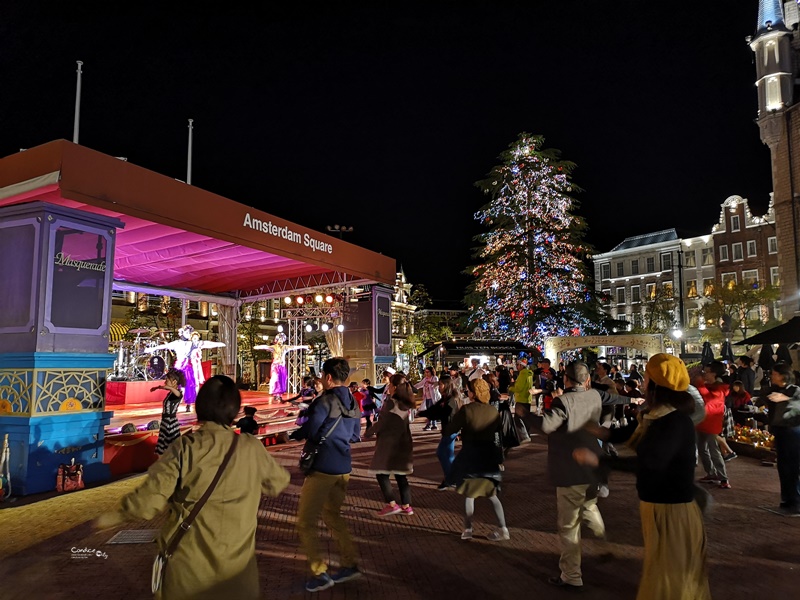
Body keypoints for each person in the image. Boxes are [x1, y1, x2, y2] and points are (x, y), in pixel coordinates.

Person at [94, 375, 291, 600]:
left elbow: (149, 500)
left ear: (200, 407)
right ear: (235, 410)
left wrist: (112, 517)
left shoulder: (185, 448)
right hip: (238, 576)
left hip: (189, 572)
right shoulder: (251, 449)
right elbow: (279, 482)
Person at [596, 353, 711, 600]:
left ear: (656, 383)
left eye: (648, 376)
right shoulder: (654, 415)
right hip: (656, 505)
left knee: (671, 579)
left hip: (672, 509)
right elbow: (630, 432)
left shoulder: (674, 421)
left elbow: (652, 463)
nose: (644, 380)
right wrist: (597, 431)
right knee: (661, 572)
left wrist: (602, 461)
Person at [529, 361, 627, 591]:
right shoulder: (594, 395)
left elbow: (547, 425)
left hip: (570, 466)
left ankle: (571, 574)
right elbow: (613, 399)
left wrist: (525, 413)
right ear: (586, 380)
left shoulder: (563, 400)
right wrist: (633, 400)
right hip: (593, 462)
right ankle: (604, 543)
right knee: (590, 506)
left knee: (569, 525)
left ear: (566, 379)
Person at [291, 357, 363, 592]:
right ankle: (350, 562)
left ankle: (319, 571)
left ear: (329, 377)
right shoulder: (353, 402)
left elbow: (311, 431)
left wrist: (296, 433)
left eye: (323, 375)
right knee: (333, 515)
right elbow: (354, 435)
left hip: (323, 467)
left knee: (305, 521)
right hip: (344, 467)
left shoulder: (324, 402)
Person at [444, 378, 508, 541]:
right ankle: (503, 528)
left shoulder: (467, 410)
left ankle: (467, 529)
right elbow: (497, 436)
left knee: (470, 494)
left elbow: (450, 429)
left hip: (471, 455)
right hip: (489, 456)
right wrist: (499, 457)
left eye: (468, 390)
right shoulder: (493, 411)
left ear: (473, 393)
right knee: (492, 494)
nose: (467, 392)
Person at [364, 377, 415, 516]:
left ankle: (391, 503)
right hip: (403, 442)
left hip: (390, 443)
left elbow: (383, 422)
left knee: (381, 472)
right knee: (400, 474)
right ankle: (406, 505)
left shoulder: (391, 403)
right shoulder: (405, 403)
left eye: (390, 384)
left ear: (395, 387)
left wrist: (369, 432)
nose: (388, 387)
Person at [753, 362, 800, 514]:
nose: (771, 376)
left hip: (792, 431)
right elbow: (762, 398)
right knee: (784, 466)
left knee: (792, 466)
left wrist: (785, 398)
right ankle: (787, 499)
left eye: (774, 374)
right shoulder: (774, 389)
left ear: (782, 375)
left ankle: (795, 500)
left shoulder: (794, 390)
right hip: (780, 431)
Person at [146, 325, 226, 412]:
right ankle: (176, 404)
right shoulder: (176, 343)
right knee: (177, 386)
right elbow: (164, 346)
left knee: (188, 385)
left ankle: (187, 404)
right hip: (178, 367)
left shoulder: (192, 343)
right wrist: (151, 349)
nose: (188, 334)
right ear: (182, 333)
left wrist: (219, 344)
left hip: (187, 367)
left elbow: (206, 343)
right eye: (187, 332)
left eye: (189, 333)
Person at [418, 374, 464, 490]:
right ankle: (453, 477)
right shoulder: (446, 398)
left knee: (442, 453)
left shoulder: (452, 399)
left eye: (441, 385)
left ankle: (451, 478)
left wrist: (430, 416)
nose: (439, 387)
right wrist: (423, 413)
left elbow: (444, 413)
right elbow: (436, 408)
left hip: (451, 429)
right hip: (448, 429)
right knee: (447, 454)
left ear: (447, 385)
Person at [694, 361, 731, 489]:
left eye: (707, 372)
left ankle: (723, 477)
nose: (705, 374)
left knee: (713, 450)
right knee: (702, 448)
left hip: (711, 423)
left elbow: (709, 399)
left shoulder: (720, 388)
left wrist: (700, 384)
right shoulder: (710, 386)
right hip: (701, 421)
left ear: (714, 374)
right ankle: (711, 473)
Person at [253, 333, 310, 401]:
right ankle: (275, 393)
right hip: (275, 366)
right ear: (277, 340)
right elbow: (266, 347)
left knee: (281, 380)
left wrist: (304, 346)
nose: (281, 340)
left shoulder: (285, 347)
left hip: (281, 366)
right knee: (275, 379)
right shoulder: (274, 347)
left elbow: (294, 347)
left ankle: (279, 395)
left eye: (282, 339)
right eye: (279, 339)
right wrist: (258, 347)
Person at [151, 368, 186, 455]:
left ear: (174, 382)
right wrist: (158, 387)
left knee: (171, 446)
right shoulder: (170, 393)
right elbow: (169, 389)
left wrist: (165, 387)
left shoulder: (177, 394)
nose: (165, 381)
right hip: (165, 422)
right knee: (164, 447)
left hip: (170, 423)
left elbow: (178, 394)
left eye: (167, 379)